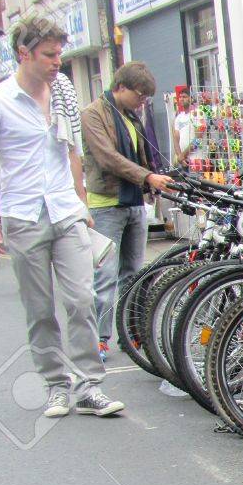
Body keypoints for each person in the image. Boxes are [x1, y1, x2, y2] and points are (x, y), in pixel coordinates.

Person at [0, 16, 124, 418]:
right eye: (50, 55)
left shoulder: (63, 95)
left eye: (60, 54)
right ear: (25, 54)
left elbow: (73, 152)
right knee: (39, 308)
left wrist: (81, 203)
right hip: (23, 214)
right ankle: (56, 384)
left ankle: (90, 386)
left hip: (66, 212)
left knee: (82, 299)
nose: (58, 62)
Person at [82, 61, 173, 357]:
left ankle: (129, 333)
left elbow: (142, 154)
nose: (143, 101)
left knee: (133, 274)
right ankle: (100, 337)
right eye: (139, 95)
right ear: (120, 87)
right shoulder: (93, 114)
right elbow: (108, 158)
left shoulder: (132, 115)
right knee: (105, 275)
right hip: (107, 204)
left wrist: (153, 181)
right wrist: (147, 176)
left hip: (134, 203)